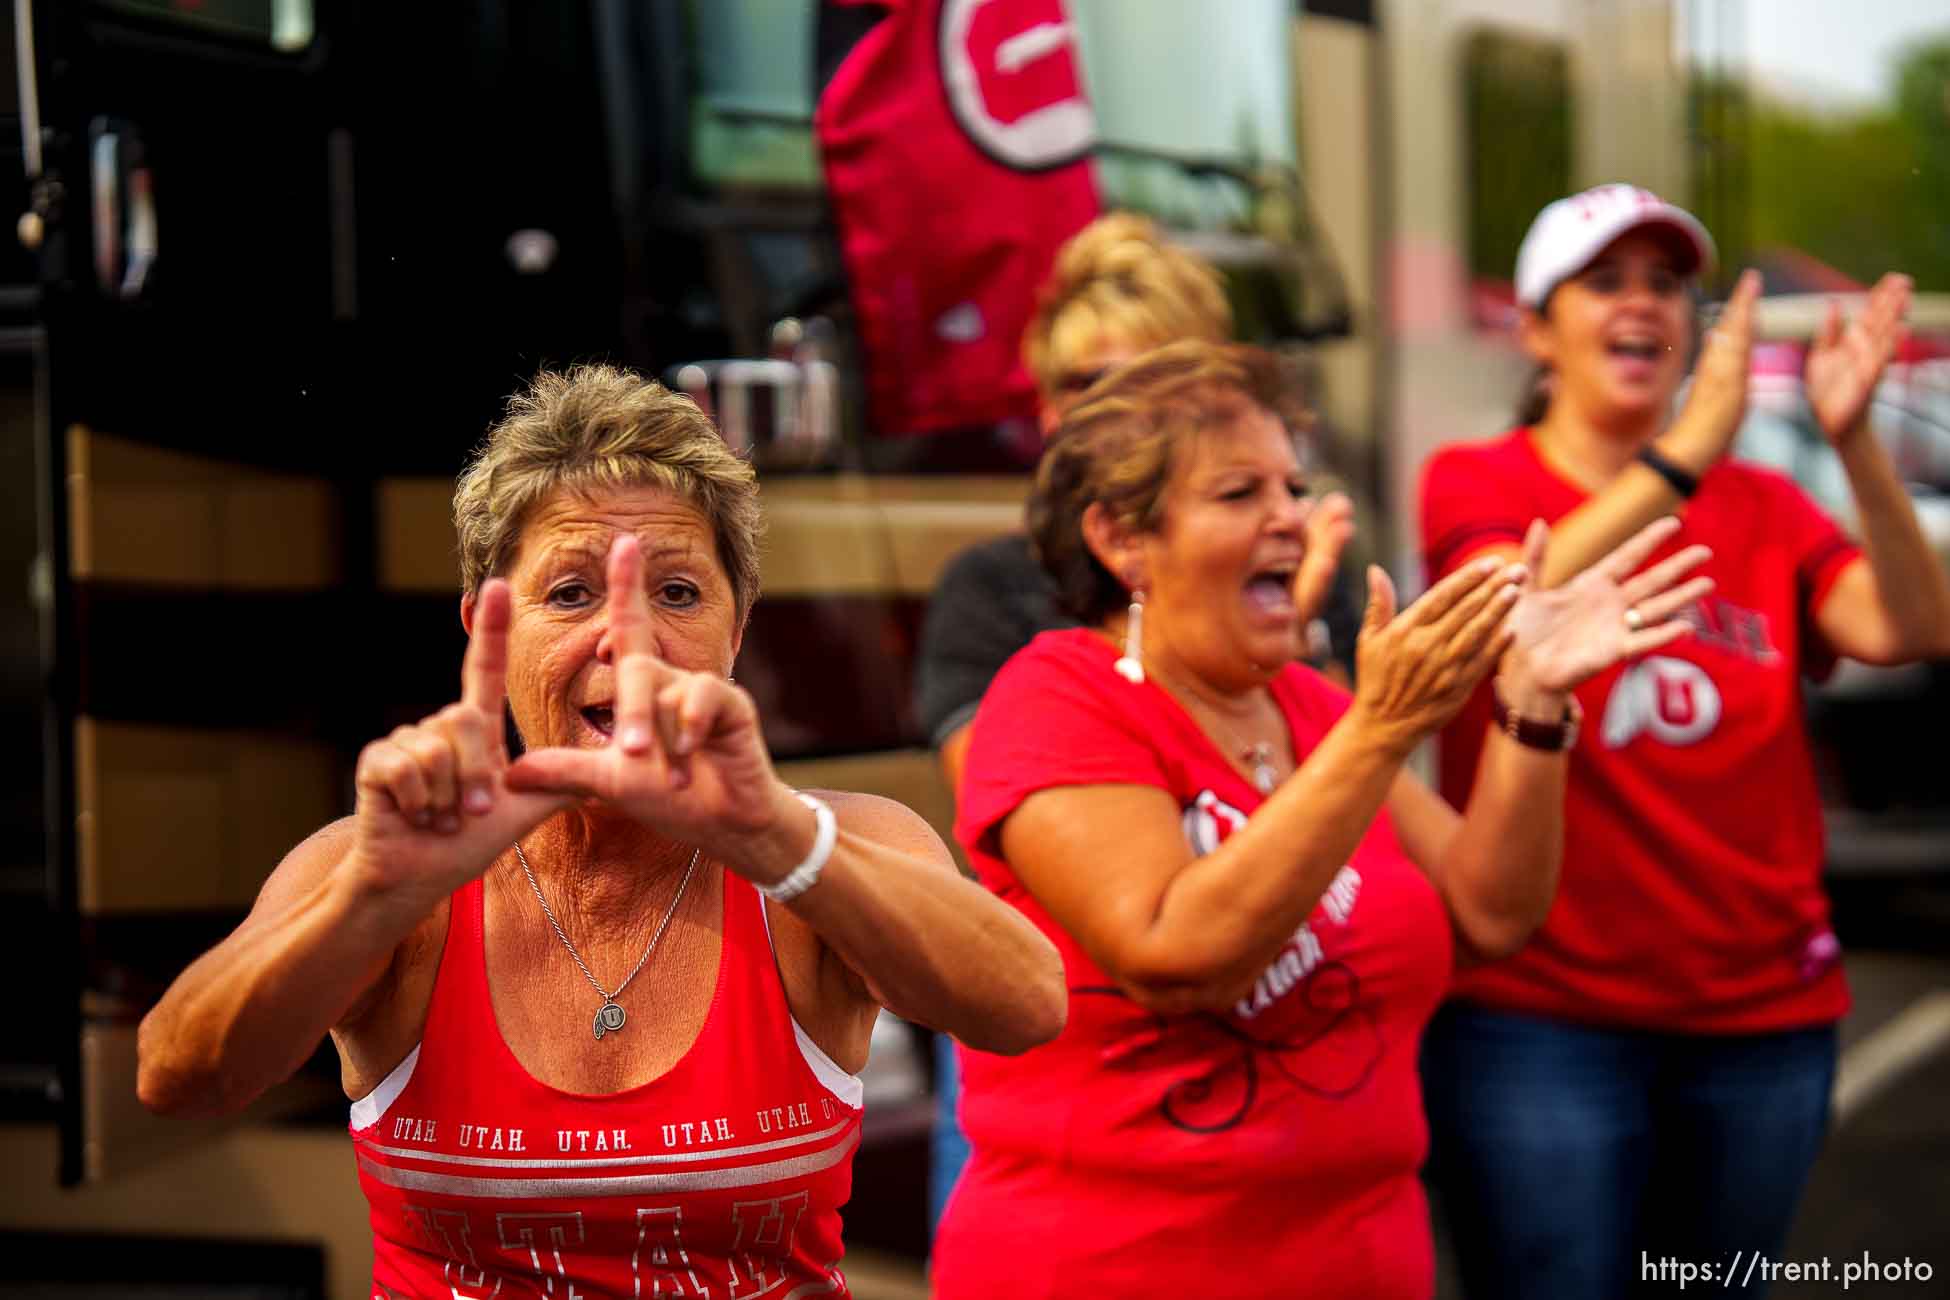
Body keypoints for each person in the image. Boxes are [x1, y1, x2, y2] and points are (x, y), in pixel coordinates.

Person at [134, 365, 1066, 1298]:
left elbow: (1025, 1008)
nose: (632, 640)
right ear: (486, 631)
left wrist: (779, 842)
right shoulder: (376, 867)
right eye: (573, 594)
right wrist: (374, 900)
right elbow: (178, 1078)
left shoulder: (828, 844)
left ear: (738, 630)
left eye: (679, 594)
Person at [928, 338, 1714, 1298]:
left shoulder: (1311, 705)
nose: (1290, 519)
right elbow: (1173, 953)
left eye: (1294, 489)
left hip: (1361, 1257)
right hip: (1123, 1265)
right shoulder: (1055, 698)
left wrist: (1533, 702)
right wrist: (1381, 731)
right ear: (1122, 540)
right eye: (1239, 494)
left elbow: (1490, 913)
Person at [1416, 184, 1950, 1300]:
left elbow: (1907, 626)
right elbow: (1502, 608)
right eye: (1604, 281)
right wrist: (1688, 451)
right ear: (1536, 330)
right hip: (1538, 1023)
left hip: (1760, 1018)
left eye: (1665, 283)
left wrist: (1855, 444)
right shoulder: (1476, 479)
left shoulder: (1763, 503)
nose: (1643, 302)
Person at [913, 212, 1357, 1229]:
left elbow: (1369, 828)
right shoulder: (992, 588)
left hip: (1296, 1020)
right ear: (1045, 407)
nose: (1116, 411)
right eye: (1088, 385)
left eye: (1154, 382)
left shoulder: (1299, 571)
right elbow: (1030, 833)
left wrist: (1285, 649)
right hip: (1056, 1038)